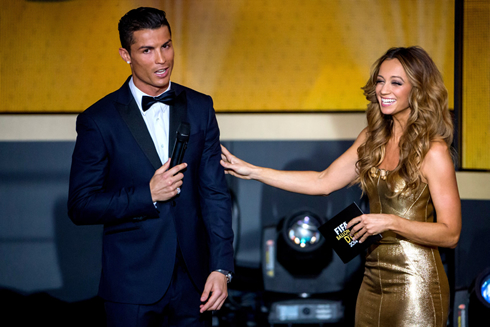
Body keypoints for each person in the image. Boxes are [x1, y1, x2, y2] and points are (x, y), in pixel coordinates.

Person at [221, 46, 461, 326]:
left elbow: (450, 234)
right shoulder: (372, 138)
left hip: (417, 286)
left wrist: (390, 222)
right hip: (372, 283)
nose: (384, 89)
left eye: (396, 82)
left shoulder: (433, 151)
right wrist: (252, 171)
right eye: (380, 80)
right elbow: (322, 181)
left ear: (417, 90)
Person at [68, 7, 234, 327]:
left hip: (194, 282)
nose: (162, 59)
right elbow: (81, 205)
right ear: (125, 55)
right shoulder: (98, 120)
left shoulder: (200, 106)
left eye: (166, 46)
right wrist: (148, 194)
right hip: (131, 285)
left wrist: (221, 268)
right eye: (147, 50)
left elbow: (215, 194)